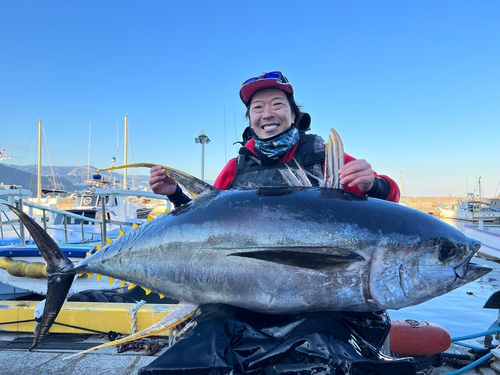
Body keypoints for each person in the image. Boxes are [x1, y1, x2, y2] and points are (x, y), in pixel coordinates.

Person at [150, 71, 400, 206]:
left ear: (294, 115)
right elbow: (207, 217)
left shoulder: (325, 157)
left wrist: (374, 184)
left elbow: (391, 199)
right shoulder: (237, 167)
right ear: (250, 120)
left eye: (278, 104)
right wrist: (175, 195)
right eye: (257, 108)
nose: (267, 114)